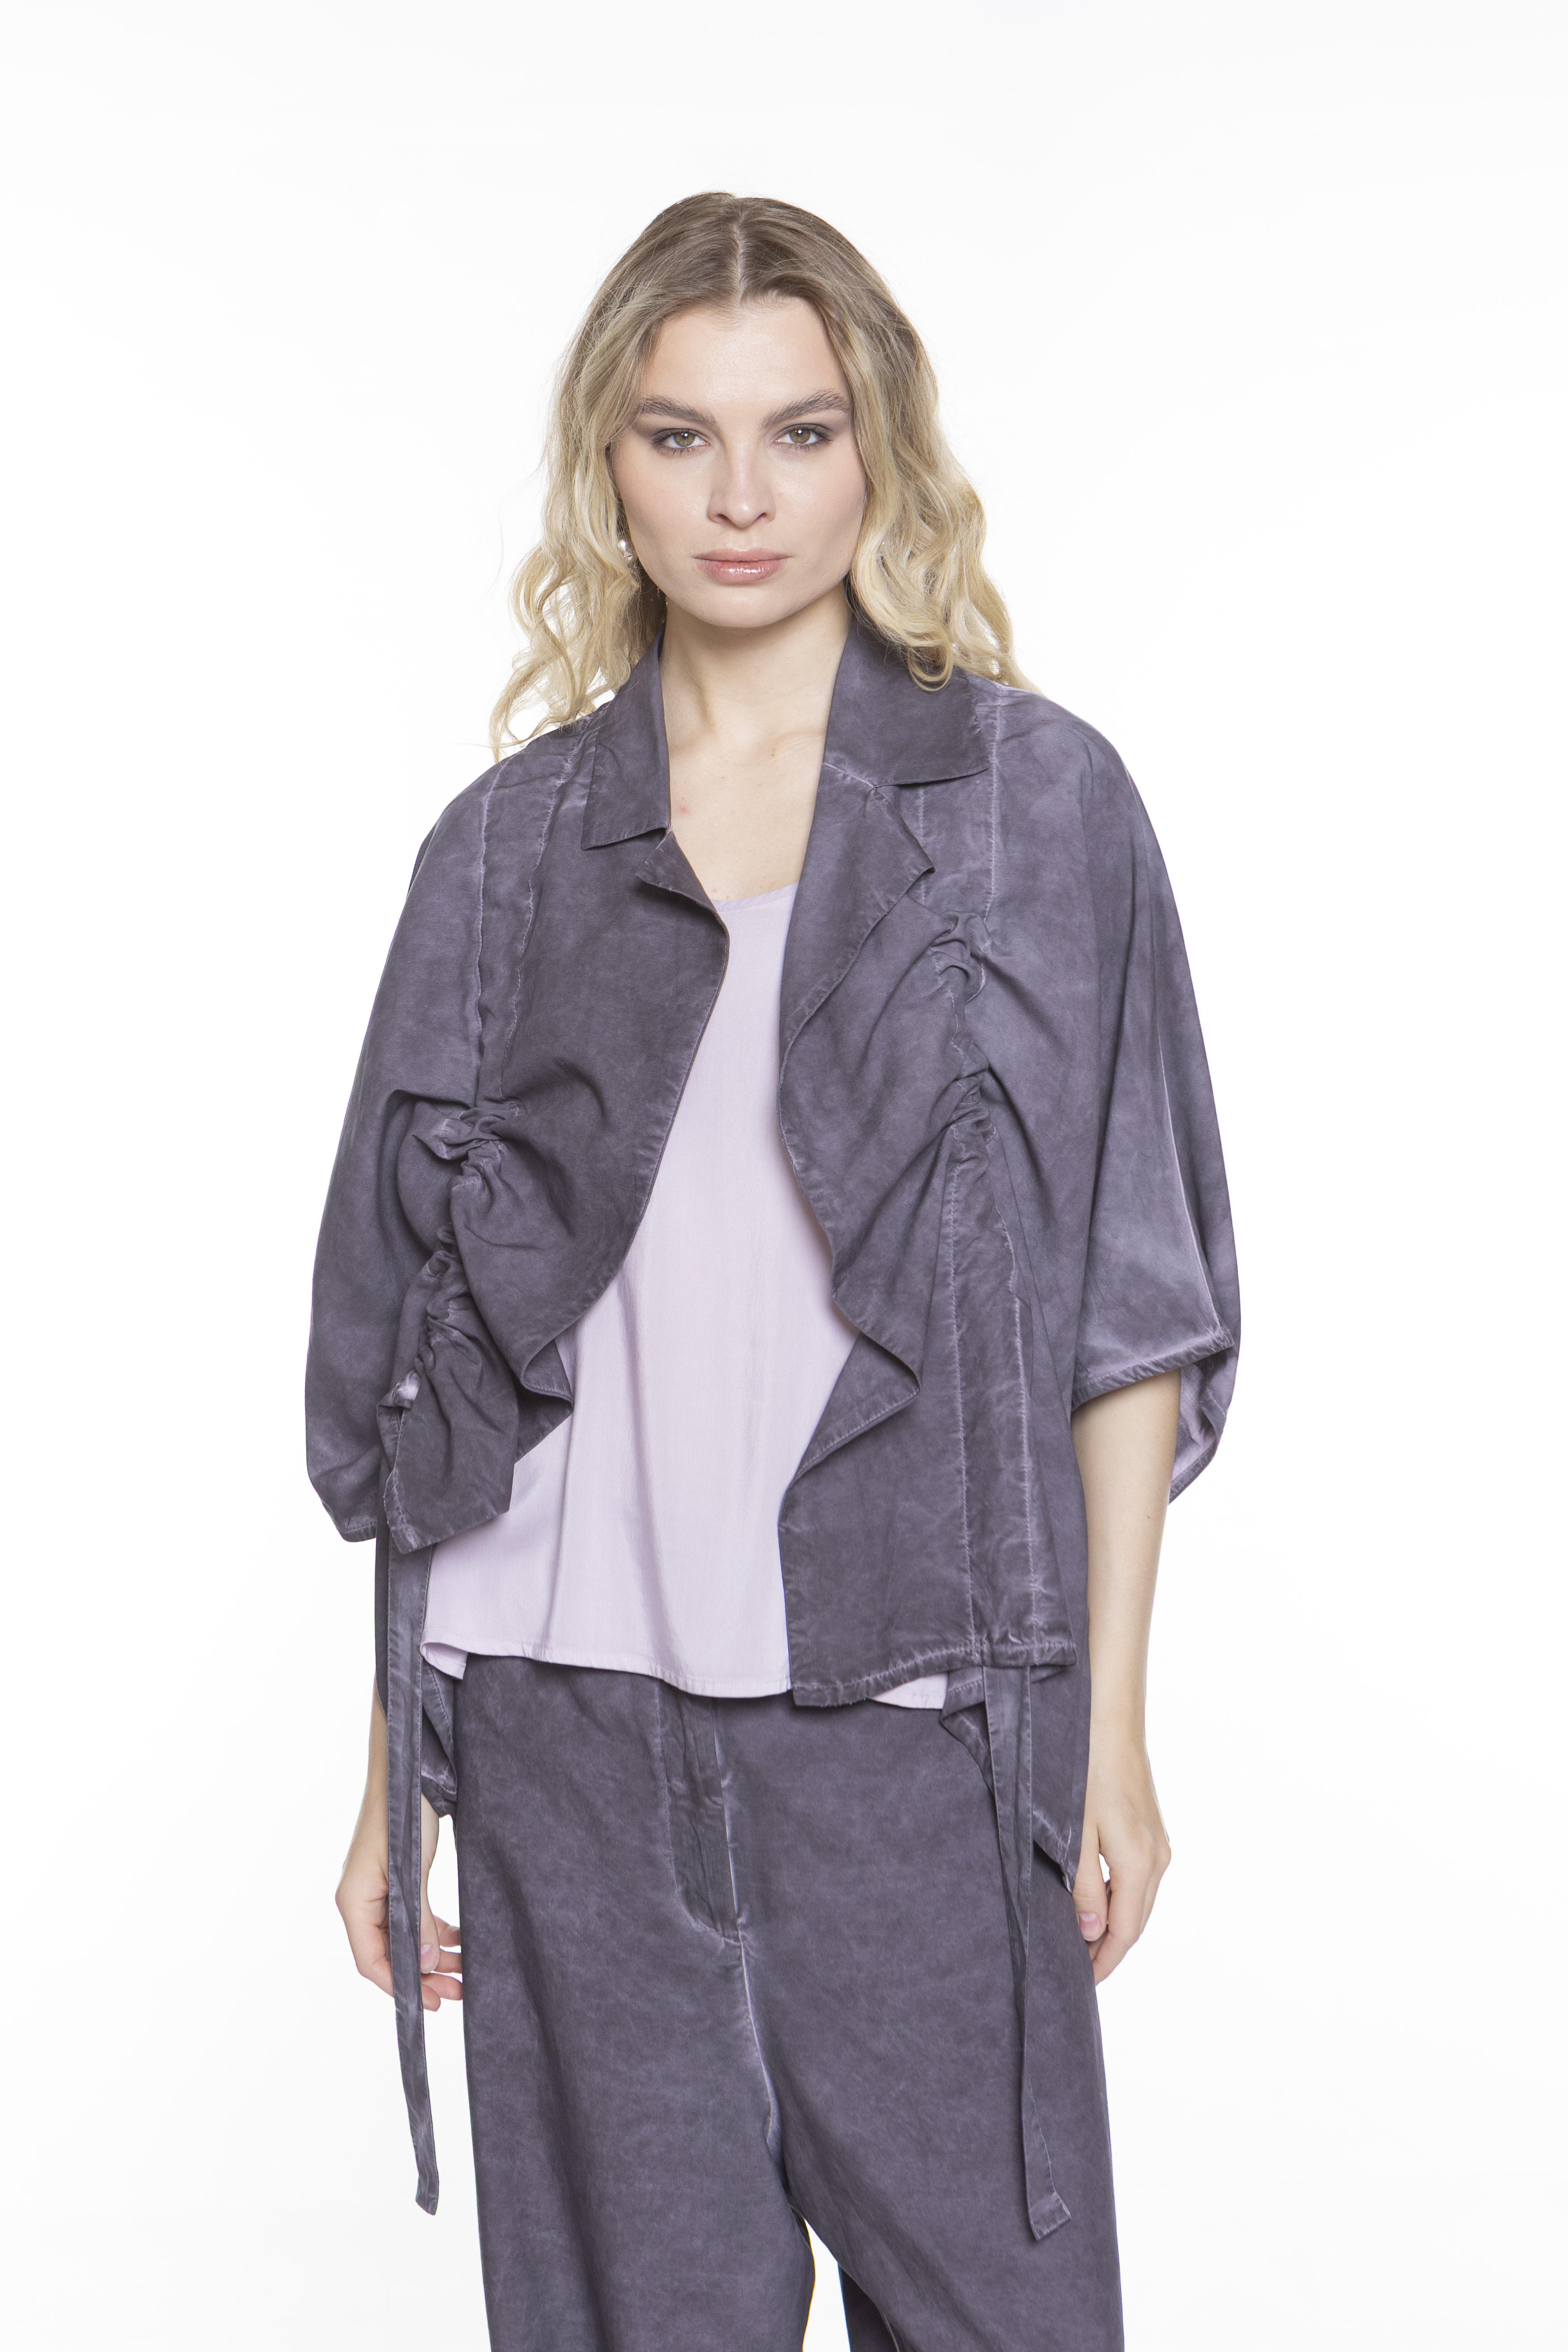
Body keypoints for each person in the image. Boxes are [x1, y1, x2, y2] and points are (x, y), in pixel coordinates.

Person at [308, 191, 1238, 2352]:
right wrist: (388, 1775)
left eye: (798, 432)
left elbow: (1128, 1295)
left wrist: (1105, 1728)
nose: (740, 496)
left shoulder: (1033, 806)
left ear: (875, 451)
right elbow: (432, 1351)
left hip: (913, 1721)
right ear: (608, 466)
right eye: (680, 435)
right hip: (561, 1738)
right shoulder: (507, 850)